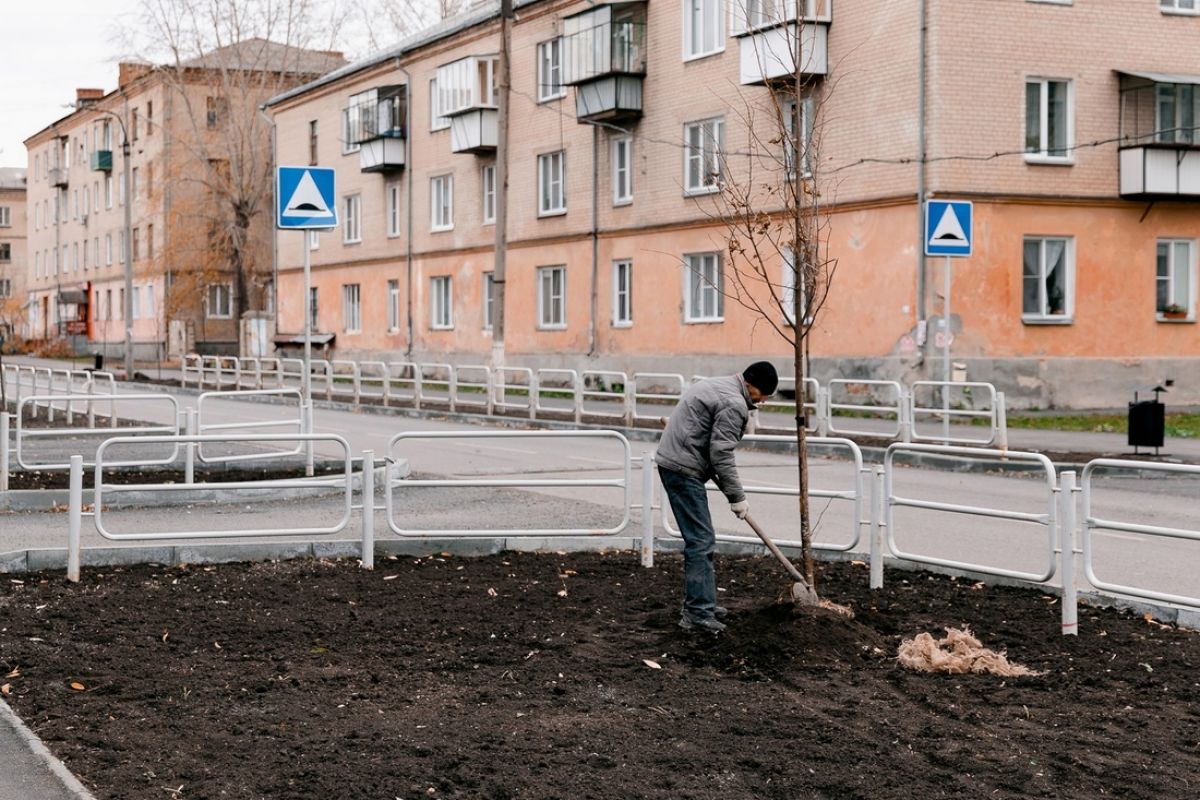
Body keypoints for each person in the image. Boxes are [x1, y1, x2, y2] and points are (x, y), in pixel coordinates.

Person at [656, 361, 779, 633]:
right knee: (701, 540)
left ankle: (704, 603)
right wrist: (738, 497)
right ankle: (697, 613)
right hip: (681, 468)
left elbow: (707, 438)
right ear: (752, 386)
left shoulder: (717, 384)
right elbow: (721, 454)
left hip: (677, 459)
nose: (764, 401)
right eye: (764, 395)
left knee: (702, 538)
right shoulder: (734, 403)